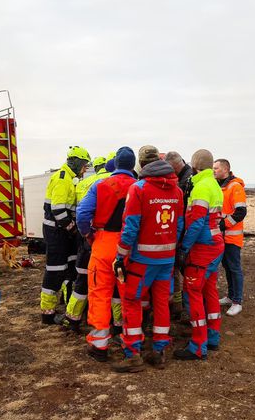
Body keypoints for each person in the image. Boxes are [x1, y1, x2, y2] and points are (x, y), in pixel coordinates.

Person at [112, 145, 184, 372]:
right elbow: (179, 225)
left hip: (141, 260)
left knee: (132, 302)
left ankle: (133, 354)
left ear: (142, 165)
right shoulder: (177, 191)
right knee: (162, 303)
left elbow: (130, 227)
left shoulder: (139, 189)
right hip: (167, 259)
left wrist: (120, 256)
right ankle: (159, 351)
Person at [76, 147, 137, 362]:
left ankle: (100, 344)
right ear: (133, 165)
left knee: (100, 293)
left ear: (116, 164)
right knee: (129, 294)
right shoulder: (139, 187)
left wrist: (88, 234)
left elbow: (82, 214)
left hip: (103, 244)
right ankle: (131, 340)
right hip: (130, 246)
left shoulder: (99, 185)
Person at [174, 149, 225, 360]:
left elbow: (195, 223)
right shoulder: (214, 185)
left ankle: (197, 345)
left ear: (194, 166)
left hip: (202, 249)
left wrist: (184, 248)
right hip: (215, 245)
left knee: (193, 292)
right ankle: (213, 336)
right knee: (210, 290)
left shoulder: (201, 187)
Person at [40, 146, 90, 324]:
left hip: (61, 232)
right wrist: (73, 229)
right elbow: (58, 210)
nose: (85, 169)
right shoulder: (62, 178)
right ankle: (47, 313)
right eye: (84, 165)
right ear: (76, 162)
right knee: (55, 271)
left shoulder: (69, 178)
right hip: (56, 232)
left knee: (68, 269)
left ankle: (64, 305)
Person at [62, 156, 109, 332]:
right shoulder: (123, 181)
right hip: (111, 239)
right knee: (112, 285)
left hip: (87, 238)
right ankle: (115, 324)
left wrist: (86, 234)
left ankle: (73, 318)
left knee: (82, 278)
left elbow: (79, 211)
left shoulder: (84, 183)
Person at [213, 158, 247, 316]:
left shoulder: (235, 186)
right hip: (223, 237)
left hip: (232, 237)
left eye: (216, 168)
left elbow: (241, 212)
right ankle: (230, 296)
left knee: (234, 268)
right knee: (227, 267)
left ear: (225, 169)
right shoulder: (221, 186)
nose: (213, 170)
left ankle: (237, 301)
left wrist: (223, 224)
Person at [165, 151, 194, 318]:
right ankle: (180, 305)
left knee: (183, 270)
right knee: (180, 270)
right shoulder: (186, 177)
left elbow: (183, 211)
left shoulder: (186, 181)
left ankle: (185, 308)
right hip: (183, 230)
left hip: (184, 232)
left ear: (175, 166)